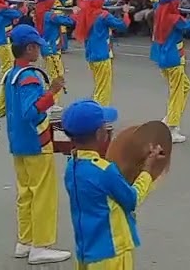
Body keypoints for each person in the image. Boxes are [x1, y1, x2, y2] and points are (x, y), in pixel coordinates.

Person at [0, 25, 71, 264]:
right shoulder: (30, 76)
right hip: (37, 143)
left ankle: (25, 241)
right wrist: (52, 92)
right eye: (36, 45)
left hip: (18, 141)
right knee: (43, 195)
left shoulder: (9, 75)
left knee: (25, 193)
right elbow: (31, 112)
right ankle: (41, 245)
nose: (39, 49)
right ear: (29, 48)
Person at [62, 99, 163, 268]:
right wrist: (147, 170)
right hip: (112, 252)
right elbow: (132, 199)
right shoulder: (105, 170)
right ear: (99, 134)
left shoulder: (71, 166)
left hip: (86, 251)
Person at [149, 0, 190, 144]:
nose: (179, 2)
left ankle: (170, 117)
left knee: (185, 87)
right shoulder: (173, 18)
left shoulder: (160, 13)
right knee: (177, 93)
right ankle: (172, 126)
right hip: (174, 60)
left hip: (165, 59)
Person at [75, 0, 126, 106]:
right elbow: (122, 25)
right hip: (102, 55)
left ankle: (95, 109)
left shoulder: (84, 13)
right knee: (104, 88)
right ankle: (100, 113)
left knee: (99, 85)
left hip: (91, 54)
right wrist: (126, 13)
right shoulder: (103, 15)